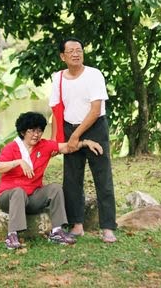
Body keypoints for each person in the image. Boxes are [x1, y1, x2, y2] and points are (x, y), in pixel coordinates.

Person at [0, 111, 103, 249]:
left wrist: (85, 143)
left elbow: (67, 147)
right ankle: (12, 236)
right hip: (9, 197)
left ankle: (57, 232)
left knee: (55, 188)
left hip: (32, 197)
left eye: (39, 131)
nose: (36, 134)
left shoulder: (44, 146)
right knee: (18, 192)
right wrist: (18, 162)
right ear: (23, 132)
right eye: (32, 131)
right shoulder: (12, 148)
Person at [49, 37, 117, 243]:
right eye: (71, 51)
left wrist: (76, 135)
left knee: (102, 178)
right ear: (63, 56)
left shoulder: (94, 75)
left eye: (79, 50)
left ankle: (108, 227)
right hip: (69, 127)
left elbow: (95, 110)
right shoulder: (58, 78)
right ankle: (76, 225)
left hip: (94, 128)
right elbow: (56, 110)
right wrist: (54, 141)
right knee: (71, 179)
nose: (76, 54)